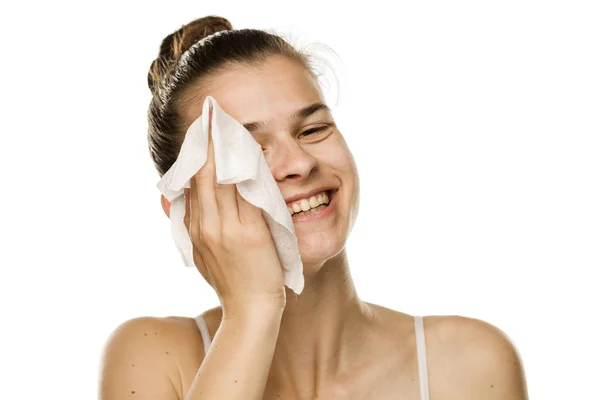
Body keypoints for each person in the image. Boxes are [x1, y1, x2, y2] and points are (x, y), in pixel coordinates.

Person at [99, 15, 529, 400]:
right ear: (188, 209)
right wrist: (253, 308)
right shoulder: (151, 356)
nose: (301, 163)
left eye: (314, 128)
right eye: (249, 149)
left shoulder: (472, 365)